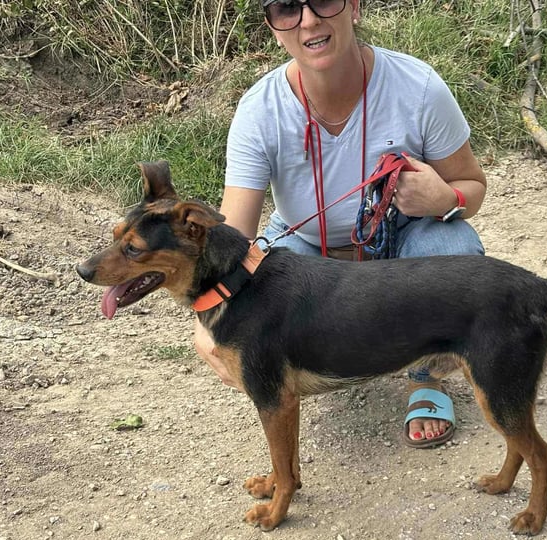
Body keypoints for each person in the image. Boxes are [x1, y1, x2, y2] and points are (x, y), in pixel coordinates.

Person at [194, 0, 487, 448]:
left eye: (325, 1)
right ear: (274, 28)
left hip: (402, 244)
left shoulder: (418, 86)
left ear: (355, 7)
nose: (309, 20)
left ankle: (426, 377)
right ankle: (318, 362)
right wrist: (208, 314)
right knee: (258, 289)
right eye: (287, 9)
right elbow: (232, 237)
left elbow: (473, 186)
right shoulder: (259, 109)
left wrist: (446, 198)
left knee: (456, 250)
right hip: (306, 253)